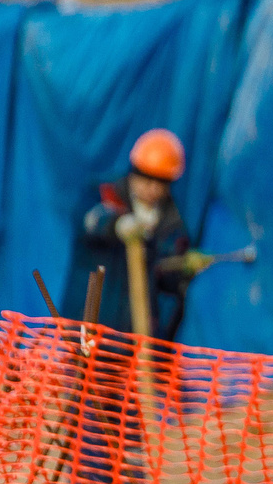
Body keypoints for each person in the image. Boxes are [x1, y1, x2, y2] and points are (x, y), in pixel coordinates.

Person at [67, 128, 196, 340]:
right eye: (146, 179)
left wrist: (184, 265)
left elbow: (170, 282)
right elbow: (90, 220)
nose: (152, 188)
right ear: (134, 173)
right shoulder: (105, 194)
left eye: (160, 182)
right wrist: (116, 224)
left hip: (132, 337)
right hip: (87, 326)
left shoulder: (173, 225)